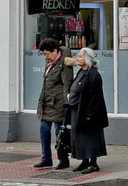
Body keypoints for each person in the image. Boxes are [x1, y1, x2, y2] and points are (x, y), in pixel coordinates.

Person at [65, 46, 109, 175]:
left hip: (88, 113)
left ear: (87, 59)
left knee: (90, 138)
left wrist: (90, 115)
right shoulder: (81, 72)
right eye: (78, 56)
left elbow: (95, 98)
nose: (77, 58)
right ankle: (84, 161)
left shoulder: (94, 75)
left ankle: (93, 163)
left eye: (80, 56)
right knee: (79, 137)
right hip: (77, 110)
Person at [33, 37, 70, 170]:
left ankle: (63, 159)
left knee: (59, 132)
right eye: (43, 54)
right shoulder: (49, 62)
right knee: (44, 130)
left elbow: (67, 82)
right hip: (47, 102)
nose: (45, 56)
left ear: (55, 51)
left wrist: (67, 102)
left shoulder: (63, 63)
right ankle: (46, 158)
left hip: (59, 103)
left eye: (47, 53)